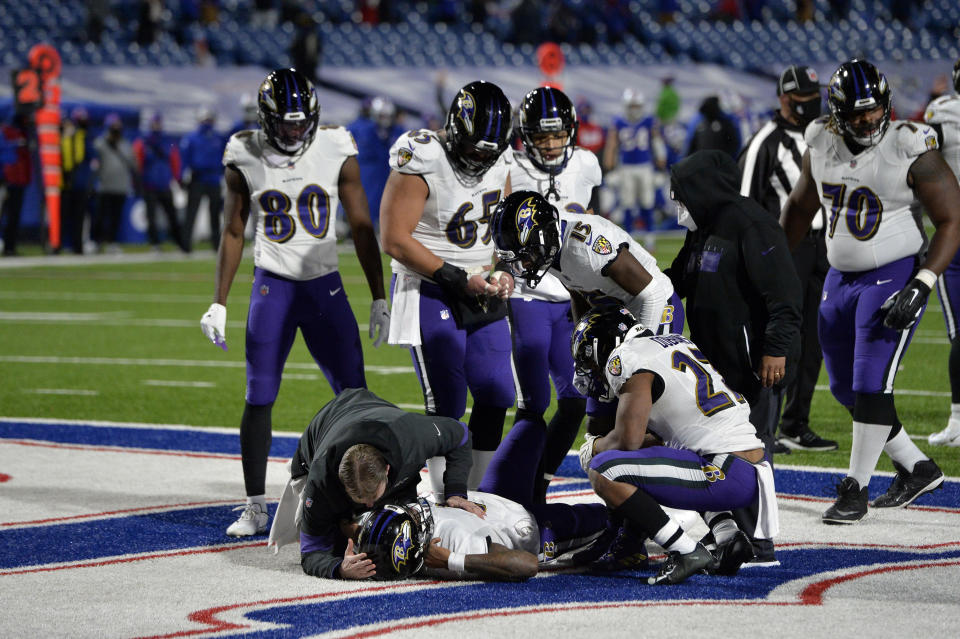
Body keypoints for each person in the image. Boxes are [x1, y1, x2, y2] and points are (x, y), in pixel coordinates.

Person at [199, 68, 390, 538]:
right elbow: (233, 229)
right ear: (265, 120)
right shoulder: (243, 152)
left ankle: (370, 496)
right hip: (273, 286)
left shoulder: (335, 147)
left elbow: (363, 227)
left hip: (324, 286)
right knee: (258, 394)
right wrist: (218, 301)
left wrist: (380, 297)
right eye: (283, 124)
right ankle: (254, 505)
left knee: (356, 396)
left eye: (300, 122)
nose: (292, 131)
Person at [781, 59, 960, 524]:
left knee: (870, 383)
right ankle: (917, 467)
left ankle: (855, 488)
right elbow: (800, 206)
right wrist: (777, 265)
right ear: (837, 111)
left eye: (874, 110)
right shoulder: (819, 140)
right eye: (857, 113)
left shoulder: (909, 143)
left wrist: (923, 282)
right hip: (839, 278)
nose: (867, 120)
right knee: (845, 388)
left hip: (893, 274)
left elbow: (951, 219)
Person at [574, 304, 778, 585]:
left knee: (604, 469)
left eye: (590, 360)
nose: (593, 371)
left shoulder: (625, 357)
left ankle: (685, 551)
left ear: (603, 345)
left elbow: (627, 441)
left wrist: (595, 446)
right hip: (748, 466)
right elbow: (659, 440)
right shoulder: (676, 342)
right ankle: (728, 537)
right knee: (670, 451)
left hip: (725, 472)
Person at [666, 149, 802, 562]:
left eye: (681, 194)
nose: (677, 203)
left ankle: (761, 544)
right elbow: (678, 278)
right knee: (716, 449)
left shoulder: (753, 225)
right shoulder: (704, 226)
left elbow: (785, 297)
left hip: (754, 364)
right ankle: (734, 534)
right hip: (714, 364)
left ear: (702, 189)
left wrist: (774, 351)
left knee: (751, 450)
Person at [380, 80, 515, 491]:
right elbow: (394, 237)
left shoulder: (501, 156)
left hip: (479, 283)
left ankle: (476, 492)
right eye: (474, 147)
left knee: (496, 392)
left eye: (488, 151)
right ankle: (443, 495)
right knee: (448, 400)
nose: (480, 157)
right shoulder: (421, 153)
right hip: (429, 285)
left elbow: (503, 224)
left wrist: (504, 267)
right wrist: (457, 278)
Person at [264, 388, 483, 579]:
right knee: (344, 550)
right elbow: (312, 552)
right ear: (341, 482)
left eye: (373, 498)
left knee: (394, 534)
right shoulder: (322, 480)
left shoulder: (413, 439)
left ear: (387, 470)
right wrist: (338, 568)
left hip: (386, 423)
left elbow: (461, 434)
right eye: (360, 499)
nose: (369, 506)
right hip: (324, 431)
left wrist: (455, 491)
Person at [502, 86, 599, 503]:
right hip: (527, 295)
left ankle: (537, 484)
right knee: (533, 404)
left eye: (557, 135)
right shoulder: (510, 166)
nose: (550, 144)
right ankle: (506, 488)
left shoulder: (587, 164)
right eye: (540, 137)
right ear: (526, 136)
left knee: (575, 401)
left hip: (570, 298)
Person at [738, 65, 838, 453]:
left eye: (815, 95)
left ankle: (797, 423)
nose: (811, 103)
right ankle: (761, 424)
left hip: (823, 245)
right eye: (802, 98)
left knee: (815, 338)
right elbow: (743, 201)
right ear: (782, 98)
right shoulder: (766, 140)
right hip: (783, 247)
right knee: (780, 337)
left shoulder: (829, 136)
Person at [923, 59, 960, 447]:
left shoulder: (944, 112)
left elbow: (923, 165)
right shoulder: (942, 113)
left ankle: (958, 421)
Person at [602, 88, 665, 245]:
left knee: (647, 202)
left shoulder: (649, 121)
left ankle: (650, 237)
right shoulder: (618, 122)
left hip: (645, 166)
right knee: (627, 203)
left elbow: (657, 141)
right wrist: (609, 165)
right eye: (632, 106)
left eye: (637, 106)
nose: (635, 110)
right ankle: (628, 237)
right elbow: (612, 144)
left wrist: (661, 158)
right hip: (626, 168)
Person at [346, 96, 404, 230]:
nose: (385, 120)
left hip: (388, 173)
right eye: (381, 116)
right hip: (368, 175)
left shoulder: (398, 131)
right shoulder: (363, 130)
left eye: (387, 116)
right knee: (367, 203)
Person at [132, 113, 187, 252]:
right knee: (151, 217)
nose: (157, 126)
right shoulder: (143, 142)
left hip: (164, 183)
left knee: (172, 215)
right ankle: (154, 244)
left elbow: (175, 160)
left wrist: (177, 178)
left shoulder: (166, 141)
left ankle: (179, 242)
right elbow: (137, 162)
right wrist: (137, 181)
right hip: (149, 184)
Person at [181, 107, 225, 251]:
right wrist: (184, 175)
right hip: (197, 178)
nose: (208, 122)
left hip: (213, 178)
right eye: (205, 119)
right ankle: (186, 244)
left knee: (214, 214)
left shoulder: (217, 138)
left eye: (209, 119)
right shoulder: (192, 138)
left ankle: (216, 244)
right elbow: (185, 159)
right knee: (191, 212)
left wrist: (223, 175)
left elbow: (224, 158)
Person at [92, 113, 136, 254]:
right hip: (104, 186)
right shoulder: (100, 143)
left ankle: (112, 242)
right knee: (99, 216)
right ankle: (95, 242)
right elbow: (94, 163)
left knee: (115, 218)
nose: (116, 129)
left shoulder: (125, 144)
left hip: (121, 186)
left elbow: (132, 163)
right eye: (113, 126)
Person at [61, 107, 95, 254]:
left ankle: (77, 245)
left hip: (81, 183)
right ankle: (62, 244)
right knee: (65, 216)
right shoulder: (65, 137)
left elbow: (91, 157)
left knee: (79, 216)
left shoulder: (86, 137)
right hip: (66, 183)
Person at [0, 113, 32, 256]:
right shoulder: (6, 132)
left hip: (18, 181)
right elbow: (7, 157)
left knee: (14, 216)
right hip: (7, 181)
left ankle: (9, 247)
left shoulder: (24, 133)